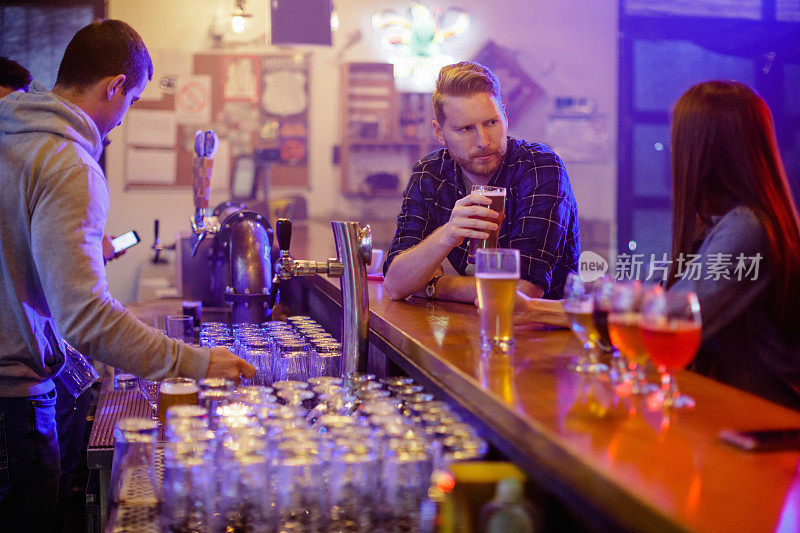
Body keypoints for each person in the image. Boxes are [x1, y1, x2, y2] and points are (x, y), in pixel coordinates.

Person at [0, 20, 255, 529]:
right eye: (132, 99)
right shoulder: (69, 162)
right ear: (114, 85)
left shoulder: (11, 136)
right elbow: (85, 318)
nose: (123, 117)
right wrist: (199, 363)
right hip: (13, 408)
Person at [520, 80, 800, 410]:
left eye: (677, 138)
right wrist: (536, 309)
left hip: (758, 420)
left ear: (705, 149)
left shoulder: (747, 226)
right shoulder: (717, 222)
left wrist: (535, 309)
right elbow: (653, 294)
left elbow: (665, 316)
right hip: (723, 407)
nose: (670, 151)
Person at [383, 61, 580, 304]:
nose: (483, 141)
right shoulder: (429, 174)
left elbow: (524, 291)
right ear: (439, 132)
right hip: (463, 330)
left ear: (505, 117)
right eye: (466, 129)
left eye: (491, 122)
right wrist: (447, 234)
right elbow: (395, 284)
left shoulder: (540, 167)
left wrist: (435, 285)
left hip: (539, 335)